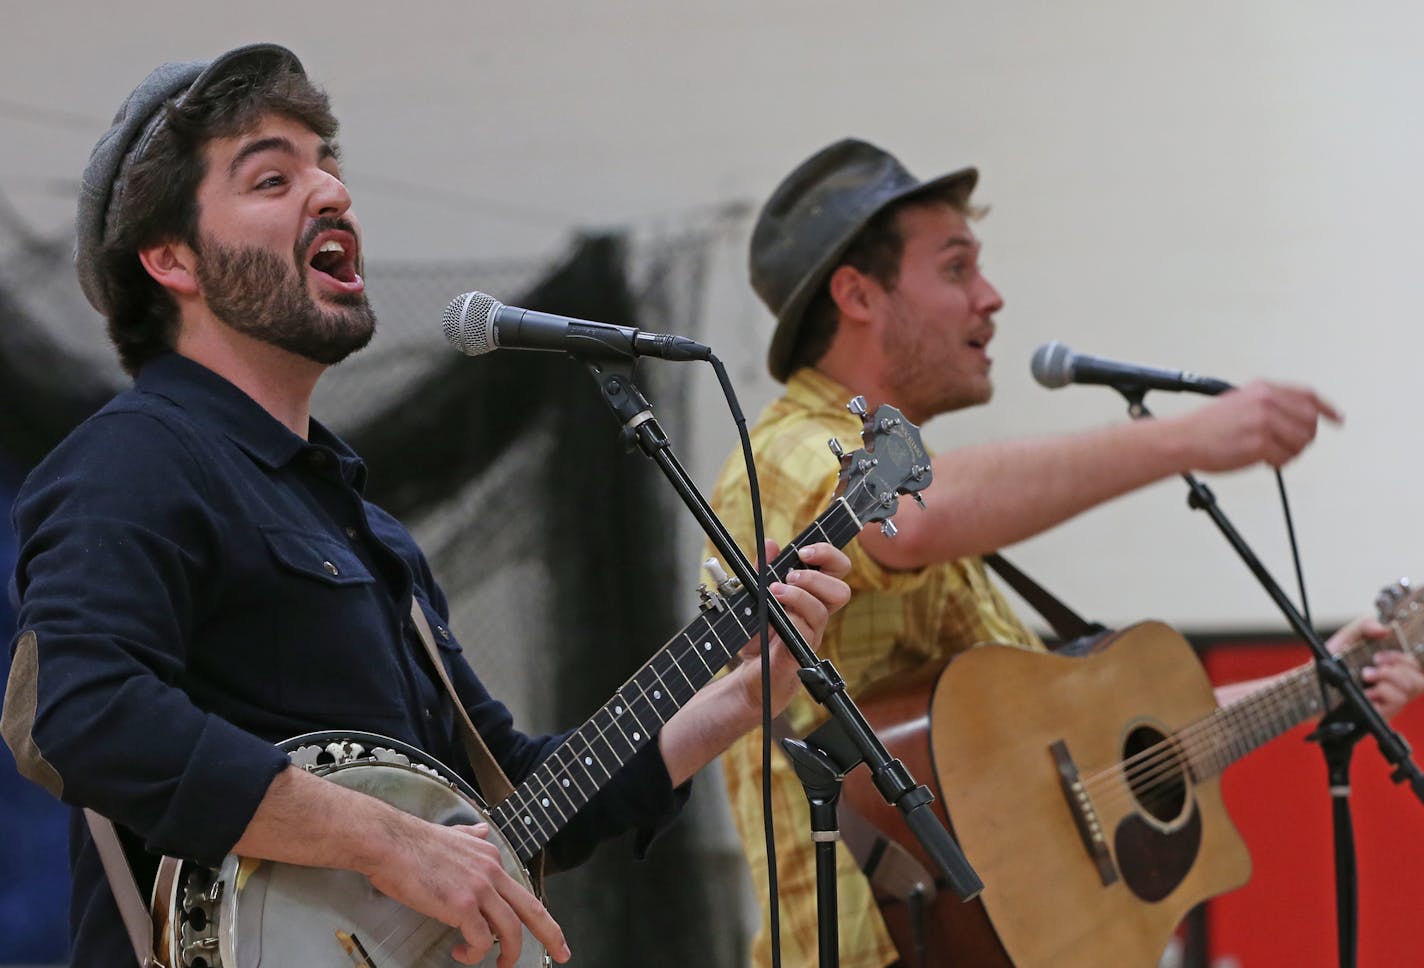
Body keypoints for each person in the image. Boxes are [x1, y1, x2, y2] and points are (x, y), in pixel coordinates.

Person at [0, 45, 853, 968]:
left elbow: (514, 806)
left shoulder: (369, 532)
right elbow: (83, 711)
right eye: (272, 177)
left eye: (328, 164)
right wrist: (389, 842)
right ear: (171, 258)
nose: (330, 192)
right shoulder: (134, 457)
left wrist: (734, 698)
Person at [706, 138, 1424, 968]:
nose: (992, 297)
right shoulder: (782, 454)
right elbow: (911, 512)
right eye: (956, 269)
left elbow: (1093, 777)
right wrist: (1187, 439)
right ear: (858, 294)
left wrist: (1319, 682)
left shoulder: (935, 521)